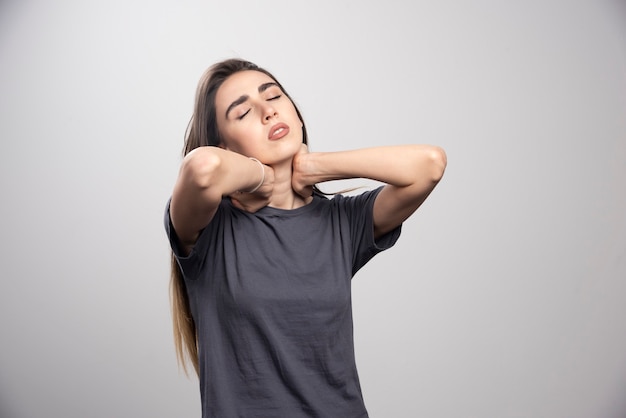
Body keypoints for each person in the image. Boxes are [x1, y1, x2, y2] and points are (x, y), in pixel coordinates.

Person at [164, 58, 447, 418]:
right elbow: (202, 169)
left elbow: (430, 165)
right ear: (226, 146)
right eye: (244, 112)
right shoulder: (209, 231)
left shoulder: (342, 223)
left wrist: (316, 167)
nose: (268, 111)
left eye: (275, 97)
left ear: (295, 115)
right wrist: (260, 178)